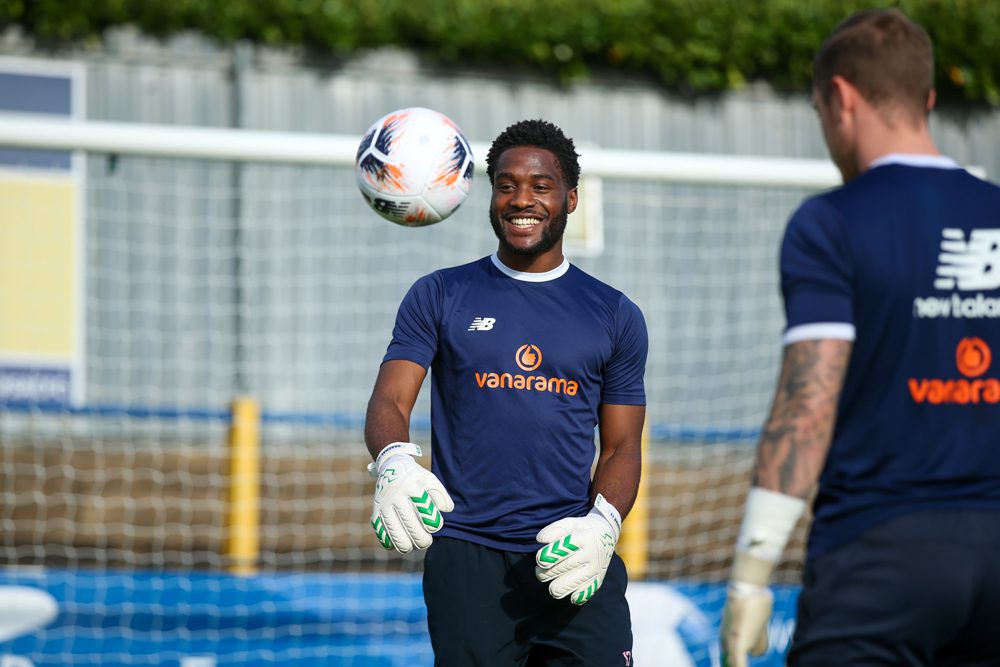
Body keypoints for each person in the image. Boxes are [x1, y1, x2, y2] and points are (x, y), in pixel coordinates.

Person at [720, 8, 1000, 667]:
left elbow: (807, 406)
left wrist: (751, 574)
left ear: (841, 98)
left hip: (879, 554)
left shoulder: (831, 222)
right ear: (927, 99)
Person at [364, 119, 648, 666]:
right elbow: (390, 400)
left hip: (571, 552)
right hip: (466, 558)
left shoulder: (615, 314)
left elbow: (622, 447)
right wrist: (393, 462)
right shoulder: (440, 294)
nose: (522, 200)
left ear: (570, 198)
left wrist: (604, 523)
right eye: (506, 185)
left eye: (541, 186)